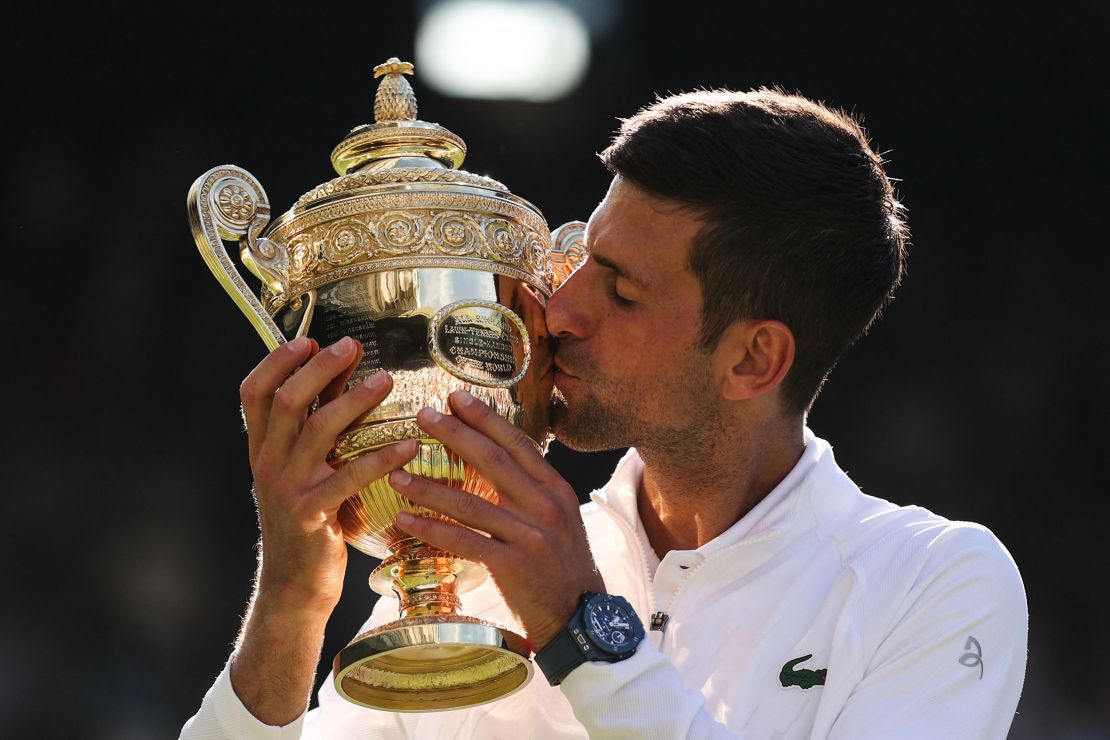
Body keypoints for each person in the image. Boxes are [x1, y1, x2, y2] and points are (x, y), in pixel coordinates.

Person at [182, 88, 1027, 739]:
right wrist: (292, 602)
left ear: (751, 359)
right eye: (582, 257)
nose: (560, 307)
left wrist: (581, 631)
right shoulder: (472, 569)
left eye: (619, 290)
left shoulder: (934, 585)